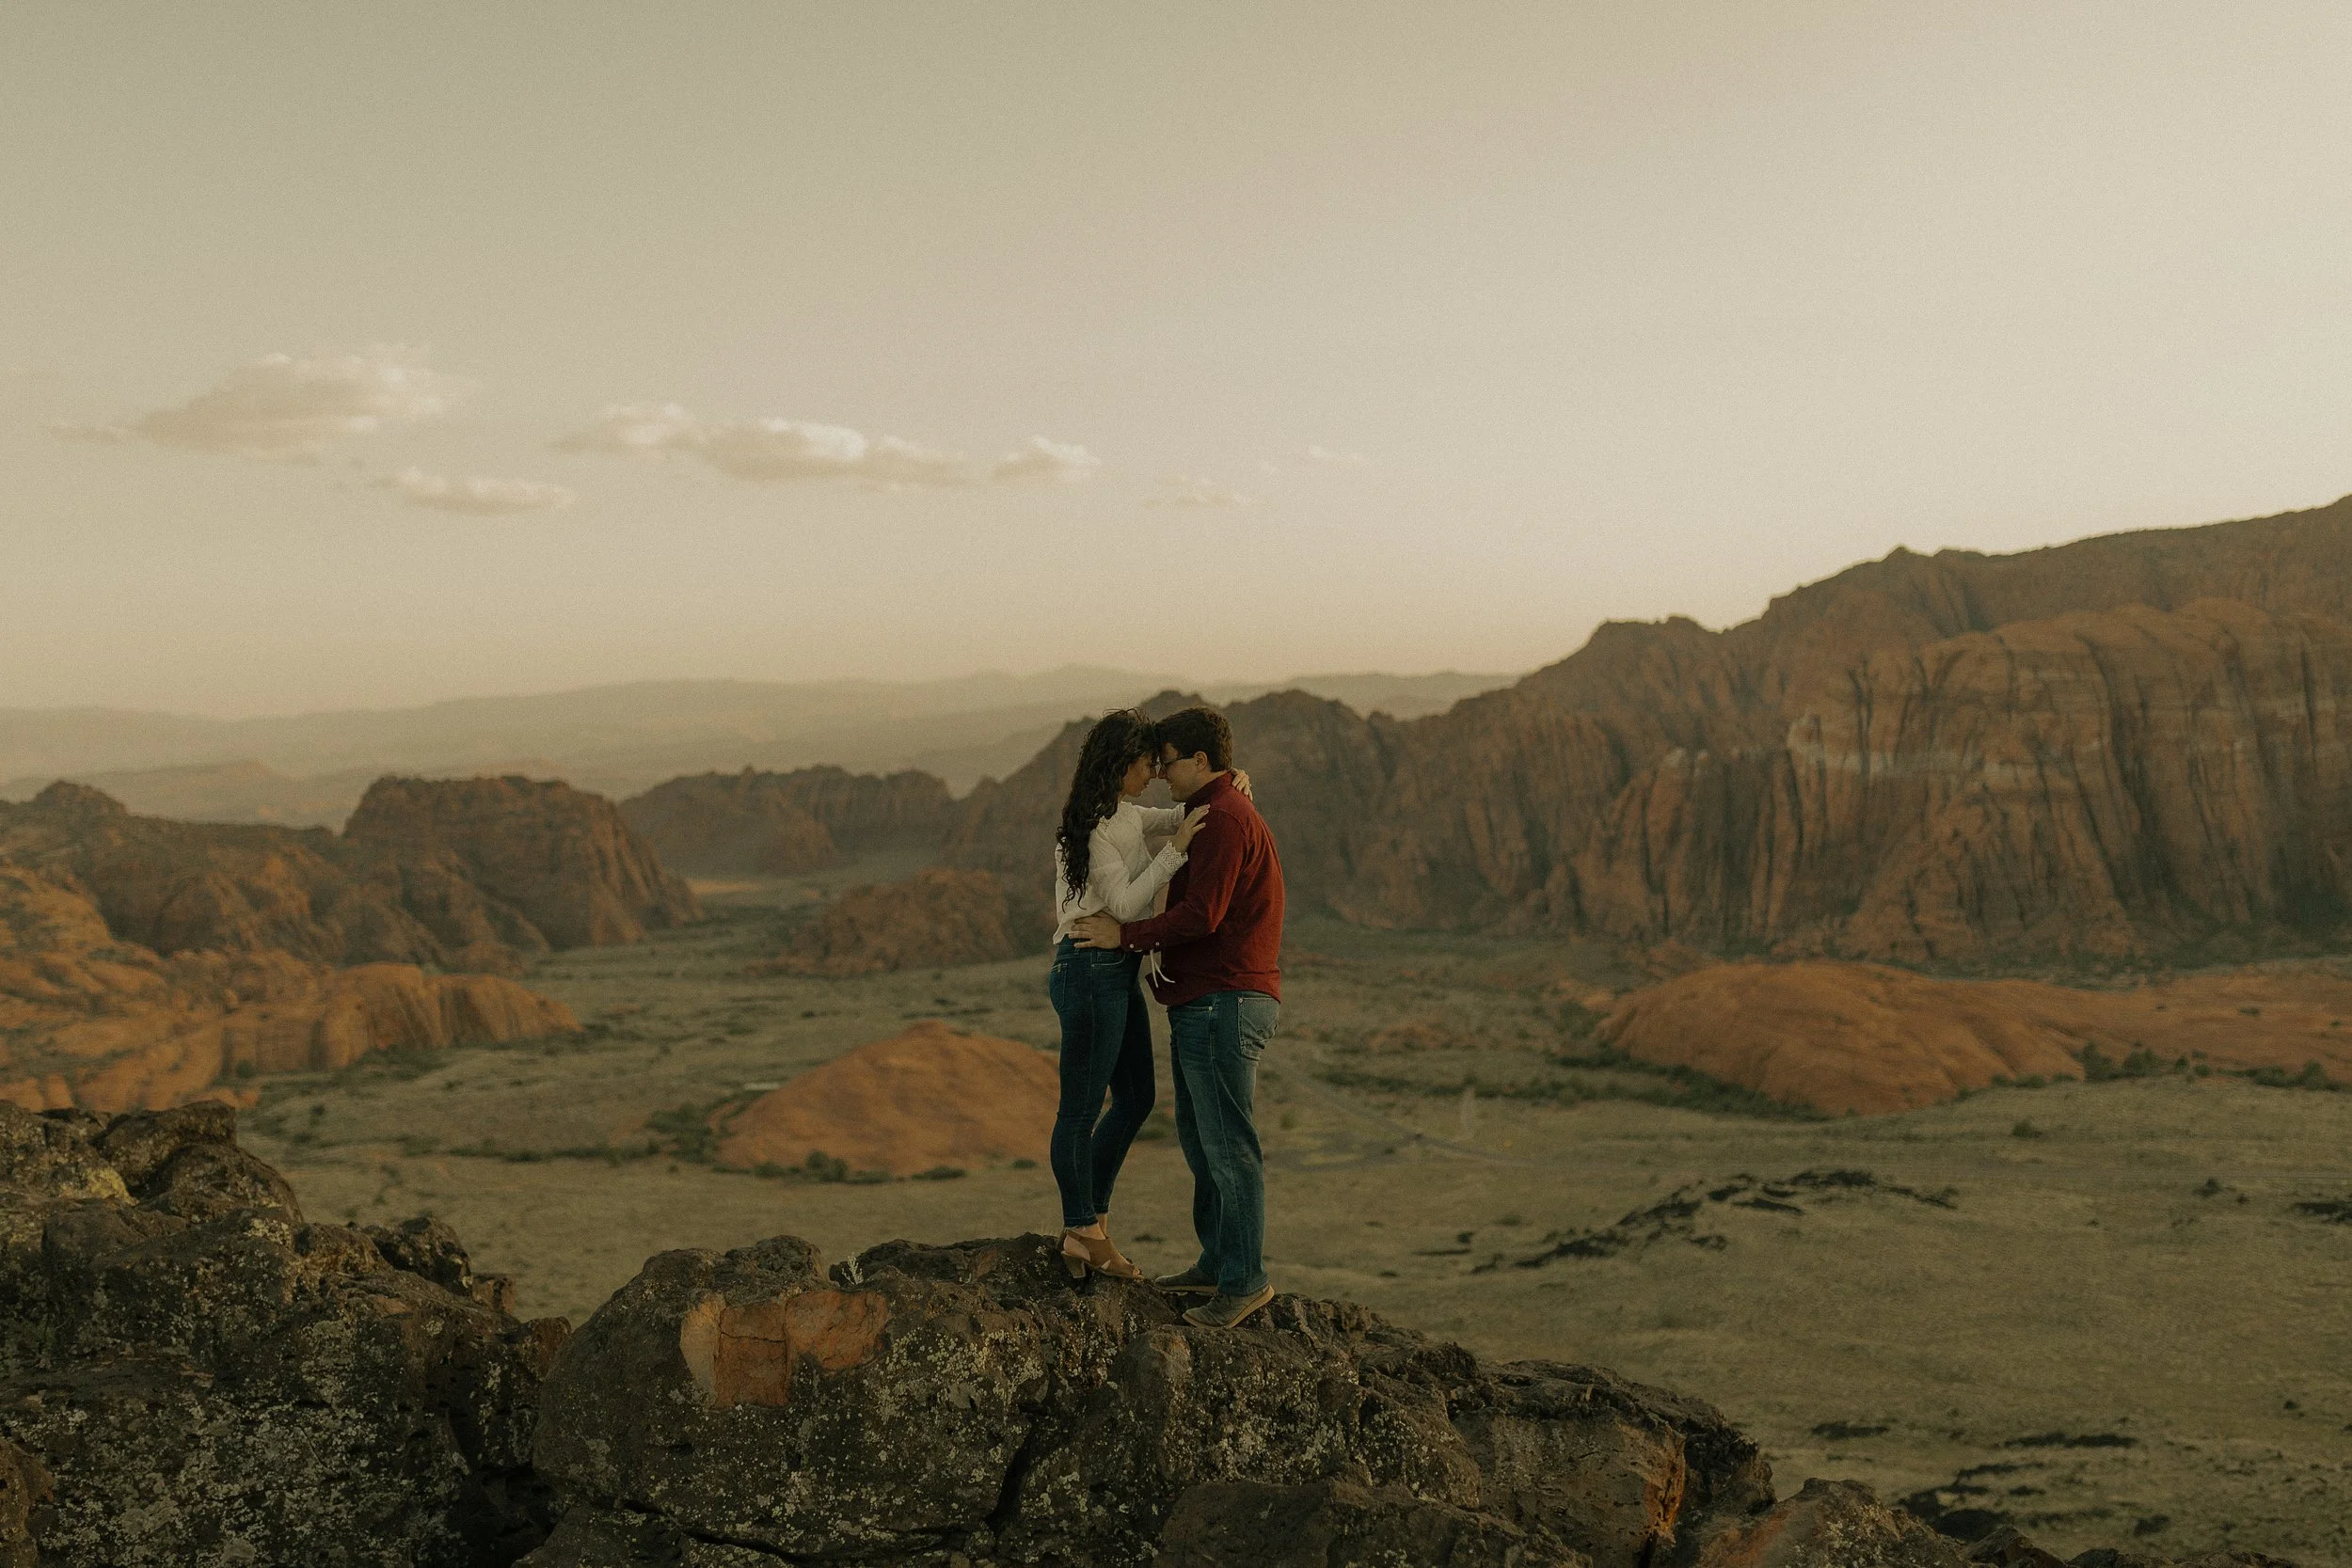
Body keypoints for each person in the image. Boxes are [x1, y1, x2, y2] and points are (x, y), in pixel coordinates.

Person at [1072, 705, 1283, 1329]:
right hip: (1210, 999)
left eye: (1168, 761)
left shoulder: (1222, 820)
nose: (1161, 773)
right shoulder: (1213, 812)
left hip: (1224, 1001)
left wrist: (1127, 936)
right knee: (1201, 1140)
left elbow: (1204, 916)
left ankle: (1245, 1280)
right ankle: (1218, 1261)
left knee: (1229, 1147)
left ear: (1199, 760)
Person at [1045, 709, 1213, 1283]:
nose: (1153, 775)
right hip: (1090, 971)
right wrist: (1178, 851)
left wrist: (1227, 783)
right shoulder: (1096, 827)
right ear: (1120, 766)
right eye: (1145, 765)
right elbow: (1122, 905)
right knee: (1081, 1107)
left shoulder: (1123, 812)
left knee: (1137, 1096)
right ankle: (1084, 1230)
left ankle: (1085, 1224)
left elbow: (1171, 814)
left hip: (1114, 970)